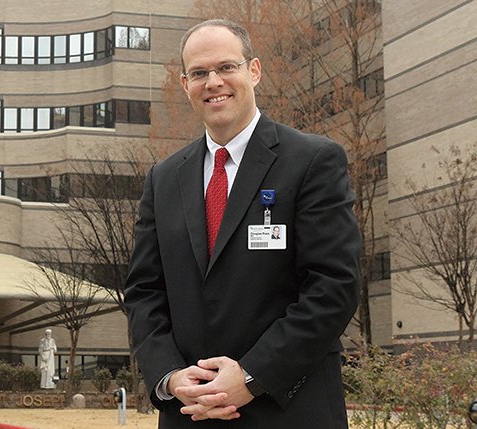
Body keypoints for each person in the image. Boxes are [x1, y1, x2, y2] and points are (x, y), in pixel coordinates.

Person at [123, 19, 360, 428]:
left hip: (290, 412)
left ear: (253, 71)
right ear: (185, 84)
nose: (213, 82)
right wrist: (171, 377)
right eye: (199, 73)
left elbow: (334, 286)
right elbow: (144, 292)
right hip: (190, 413)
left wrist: (252, 376)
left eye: (226, 67)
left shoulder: (312, 161)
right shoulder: (163, 180)